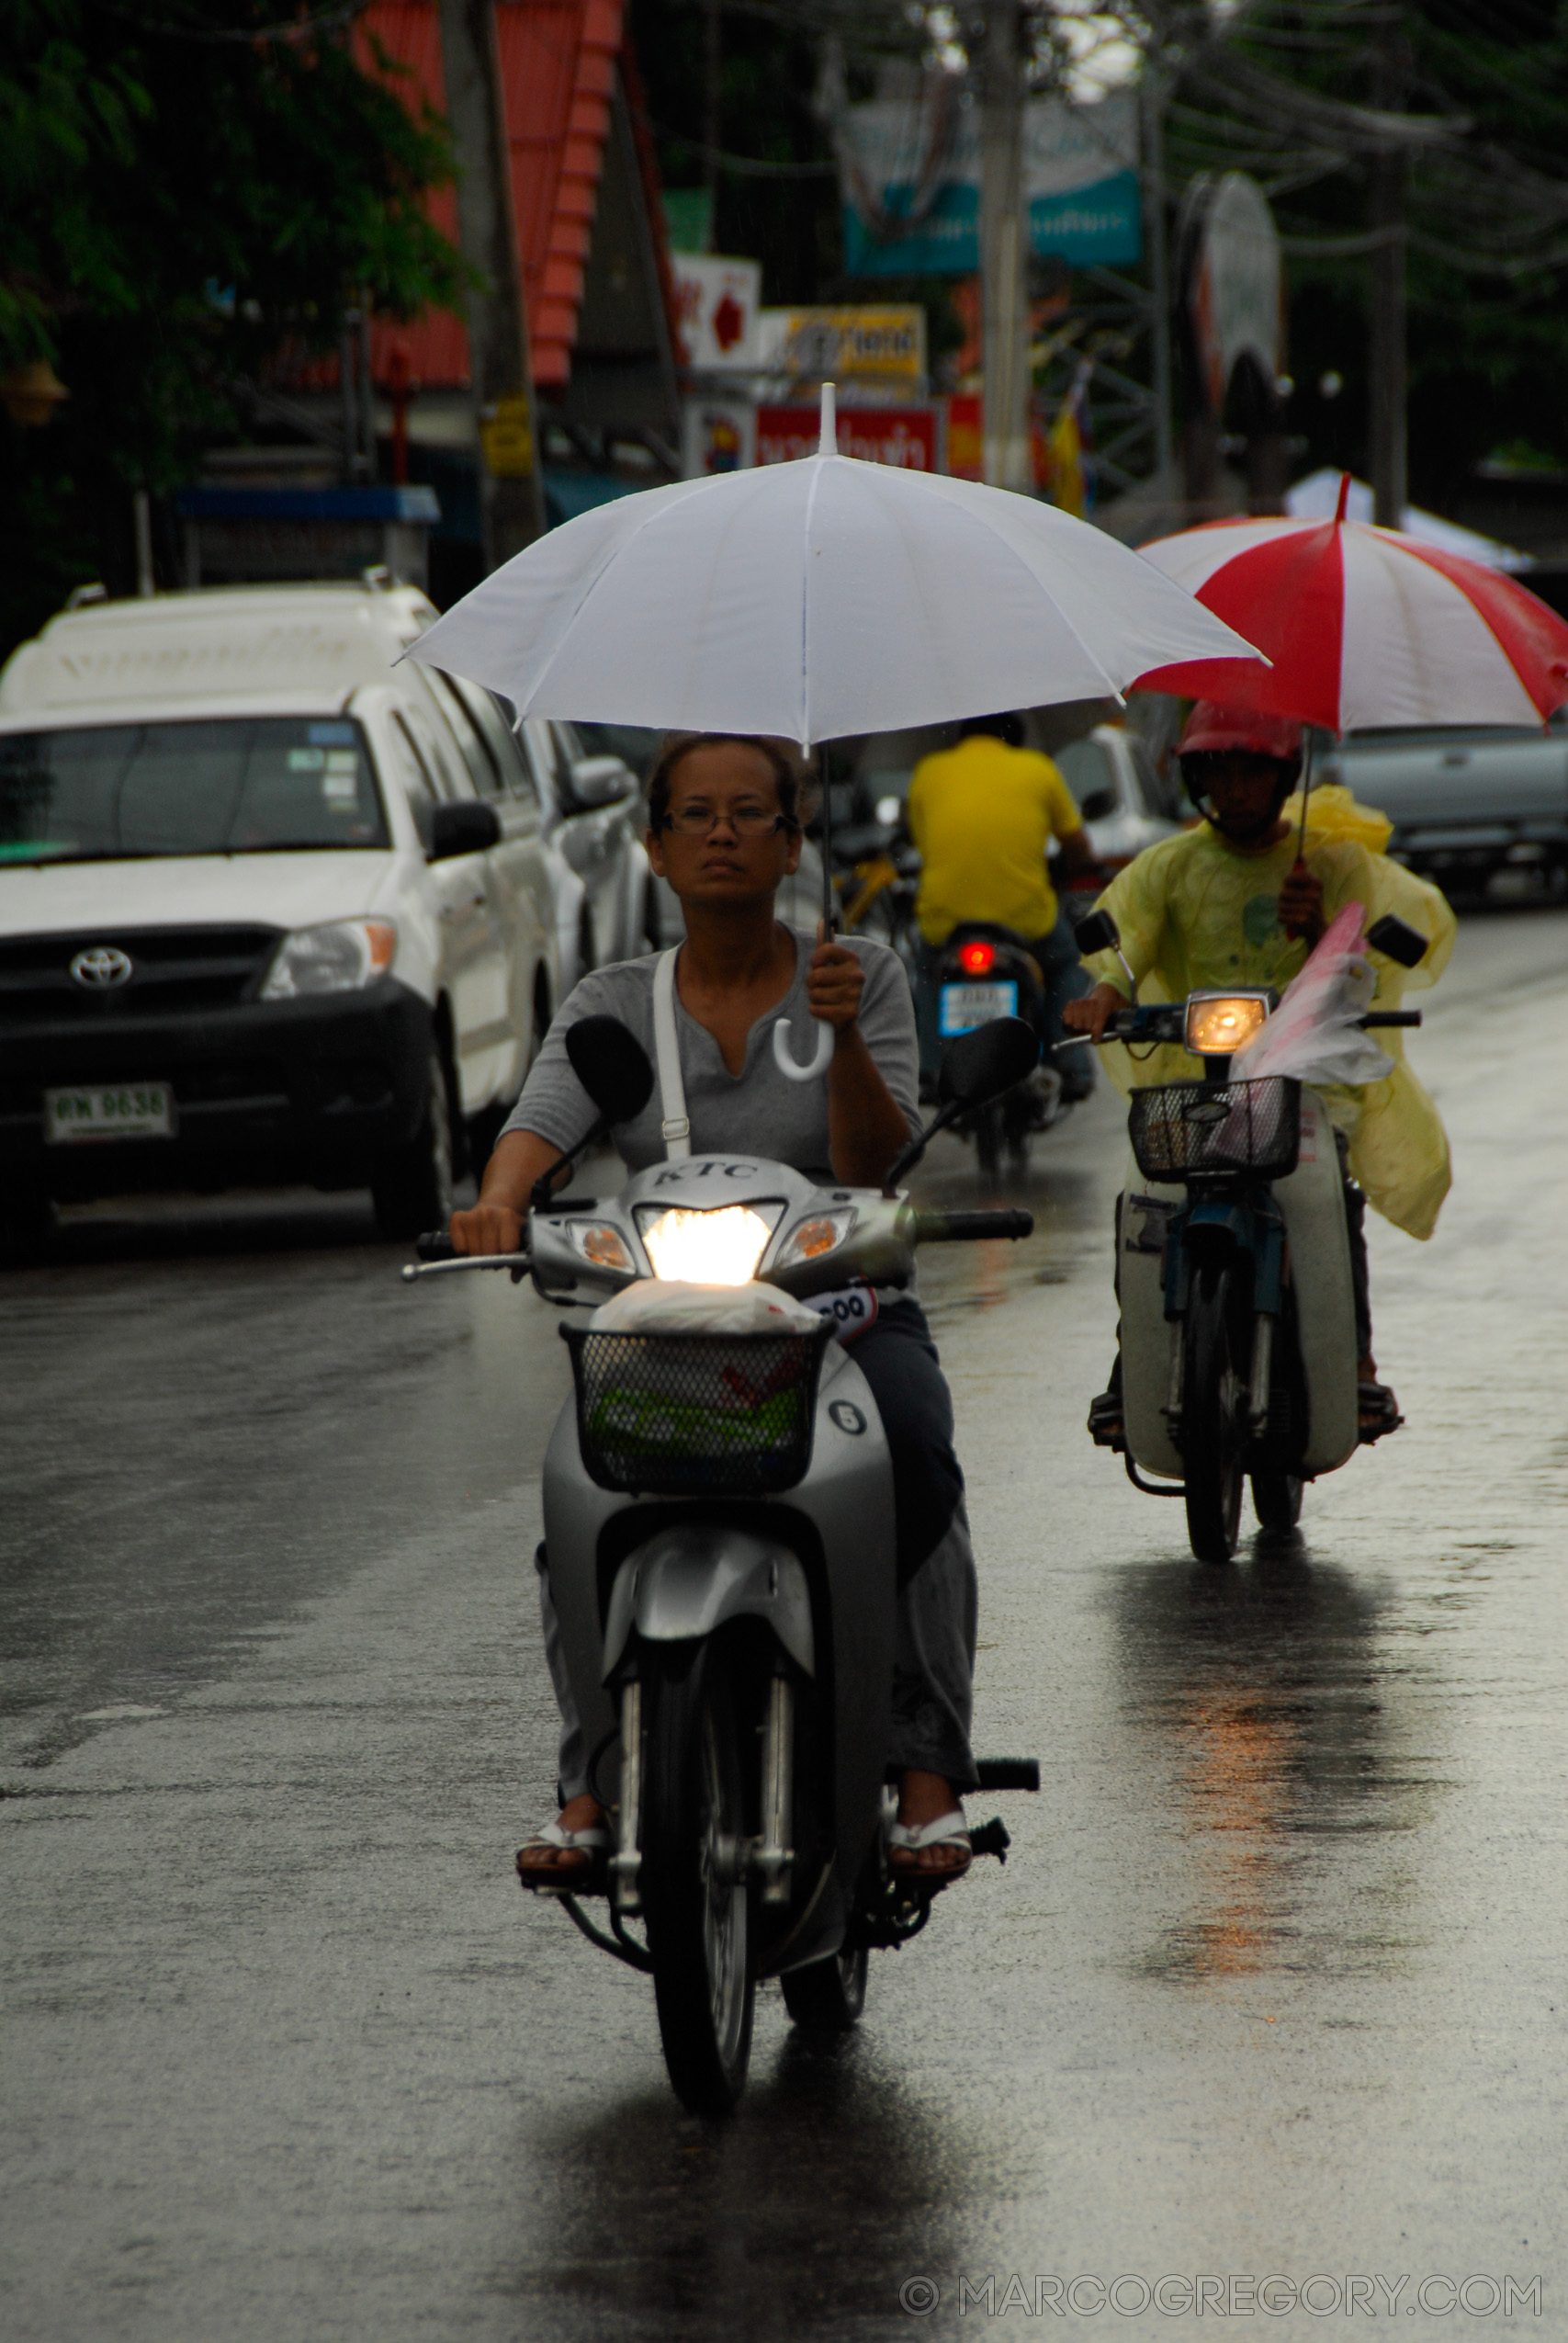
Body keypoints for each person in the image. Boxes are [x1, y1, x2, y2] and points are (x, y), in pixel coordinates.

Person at [451, 731, 980, 1889]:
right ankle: (591, 1779)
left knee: (917, 1458)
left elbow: (876, 1161)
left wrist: (841, 1031)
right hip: (665, 1327)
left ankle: (928, 1767)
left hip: (843, 1308)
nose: (725, 832)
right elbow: (541, 1119)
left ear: (796, 840)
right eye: (696, 813)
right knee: (575, 1508)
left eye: (753, 812)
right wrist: (497, 1203)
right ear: (654, 845)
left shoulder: (865, 974)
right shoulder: (612, 1001)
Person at [1064, 699, 1456, 1441]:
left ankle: (1357, 1366)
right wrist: (1103, 996)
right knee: (1140, 1207)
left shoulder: (1331, 866)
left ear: (1283, 780)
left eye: (1250, 772)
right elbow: (1127, 945)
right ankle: (1131, 1363)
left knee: (1330, 1204)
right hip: (1195, 1080)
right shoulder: (1168, 866)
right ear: (1194, 779)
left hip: (1303, 1083)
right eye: (1218, 771)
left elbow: (1364, 968)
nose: (1234, 789)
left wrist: (1318, 927)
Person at [905, 712, 1103, 1099]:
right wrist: (1080, 863)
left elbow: (924, 842)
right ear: (1016, 739)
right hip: (1024, 918)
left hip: (946, 919)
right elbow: (1077, 845)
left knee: (928, 974)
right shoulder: (1038, 769)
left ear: (961, 737)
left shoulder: (929, 771)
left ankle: (928, 1070)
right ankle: (1072, 1066)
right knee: (1065, 963)